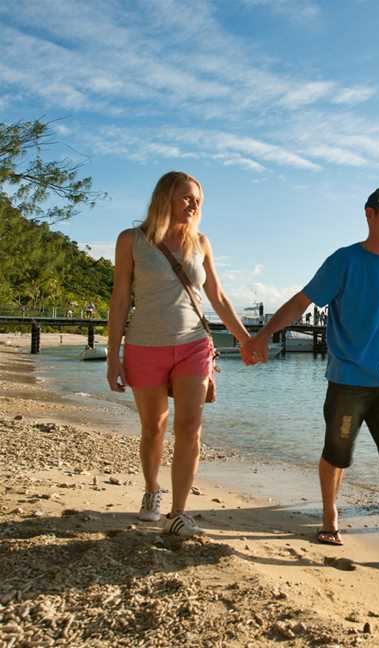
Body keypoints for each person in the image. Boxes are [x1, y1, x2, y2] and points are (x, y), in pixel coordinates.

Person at [248, 187, 379, 564]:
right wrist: (262, 335)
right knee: (337, 454)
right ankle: (330, 515)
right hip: (348, 380)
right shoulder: (344, 261)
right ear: (369, 214)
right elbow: (302, 301)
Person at [106, 171, 255, 537]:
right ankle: (152, 491)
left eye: (198, 201)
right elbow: (120, 298)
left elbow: (217, 297)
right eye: (187, 197)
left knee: (190, 427)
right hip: (144, 345)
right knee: (153, 428)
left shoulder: (201, 243)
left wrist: (246, 339)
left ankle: (179, 512)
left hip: (193, 345)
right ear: (165, 196)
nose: (194, 205)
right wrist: (113, 356)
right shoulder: (131, 241)